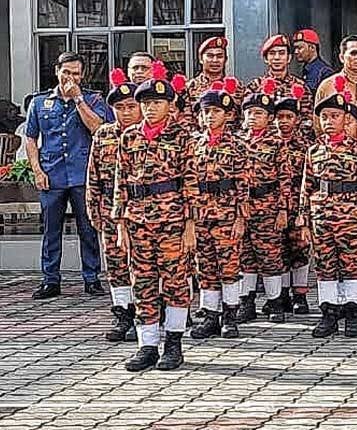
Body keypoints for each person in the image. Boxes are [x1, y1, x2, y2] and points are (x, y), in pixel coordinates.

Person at [112, 63, 197, 372]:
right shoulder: (129, 137)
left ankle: (173, 343)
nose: (150, 108)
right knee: (143, 283)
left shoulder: (182, 137)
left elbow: (191, 181)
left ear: (169, 105)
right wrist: (120, 223)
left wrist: (190, 224)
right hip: (137, 220)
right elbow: (122, 182)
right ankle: (147, 345)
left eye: (157, 103)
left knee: (175, 282)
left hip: (172, 220)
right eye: (145, 103)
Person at [24, 51, 114, 300]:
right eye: (66, 72)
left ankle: (91, 278)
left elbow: (98, 129)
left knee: (88, 228)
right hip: (51, 175)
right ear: (57, 71)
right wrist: (37, 170)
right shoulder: (40, 102)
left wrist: (78, 100)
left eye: (76, 73)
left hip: (82, 175)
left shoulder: (93, 100)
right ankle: (50, 279)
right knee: (51, 229)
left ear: (82, 75)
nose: (71, 77)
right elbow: (30, 137)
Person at [300, 91, 357, 338]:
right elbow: (307, 186)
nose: (329, 121)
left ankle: (353, 314)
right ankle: (328, 314)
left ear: (346, 119)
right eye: (324, 116)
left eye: (334, 116)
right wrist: (303, 220)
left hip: (351, 217)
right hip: (321, 218)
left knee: (352, 264)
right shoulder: (313, 151)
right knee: (325, 266)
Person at [188, 85, 247, 341]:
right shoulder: (193, 144)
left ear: (228, 115)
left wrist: (241, 217)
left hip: (226, 213)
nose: (210, 116)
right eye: (205, 112)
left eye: (216, 111)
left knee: (229, 266)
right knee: (206, 267)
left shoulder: (237, 145)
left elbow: (244, 182)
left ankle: (230, 316)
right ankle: (210, 315)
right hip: (201, 214)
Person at [86, 69, 141, 342]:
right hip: (109, 210)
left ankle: (146, 315)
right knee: (116, 265)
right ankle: (123, 314)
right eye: (120, 107)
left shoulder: (148, 137)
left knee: (141, 266)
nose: (126, 112)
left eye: (131, 106)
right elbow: (93, 176)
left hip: (142, 211)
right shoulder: (103, 135)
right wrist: (92, 208)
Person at [236, 78, 294, 324]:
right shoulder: (235, 141)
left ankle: (274, 301)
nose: (253, 118)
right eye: (249, 113)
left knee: (270, 256)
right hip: (242, 207)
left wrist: (283, 209)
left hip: (268, 204)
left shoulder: (277, 143)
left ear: (269, 118)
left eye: (259, 113)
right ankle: (246, 301)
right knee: (245, 256)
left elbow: (285, 178)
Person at [274, 85, 312, 315]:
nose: (284, 121)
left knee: (299, 249)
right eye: (279, 117)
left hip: (297, 206)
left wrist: (304, 211)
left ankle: (300, 295)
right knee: (277, 251)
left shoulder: (305, 145)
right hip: (273, 206)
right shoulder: (267, 144)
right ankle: (282, 294)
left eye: (289, 117)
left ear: (297, 119)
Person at [246, 34, 313, 124]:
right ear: (266, 58)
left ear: (289, 58)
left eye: (281, 53)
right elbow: (247, 118)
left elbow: (307, 120)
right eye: (272, 53)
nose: (277, 58)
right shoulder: (255, 86)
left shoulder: (300, 86)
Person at [186, 36, 244, 108]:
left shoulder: (237, 87)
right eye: (210, 56)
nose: (215, 60)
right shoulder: (190, 87)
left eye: (219, 56)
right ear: (201, 59)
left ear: (225, 59)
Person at [292, 28, 336, 94]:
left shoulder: (325, 72)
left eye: (300, 48)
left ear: (312, 48)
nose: (296, 52)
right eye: (295, 48)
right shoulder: (306, 69)